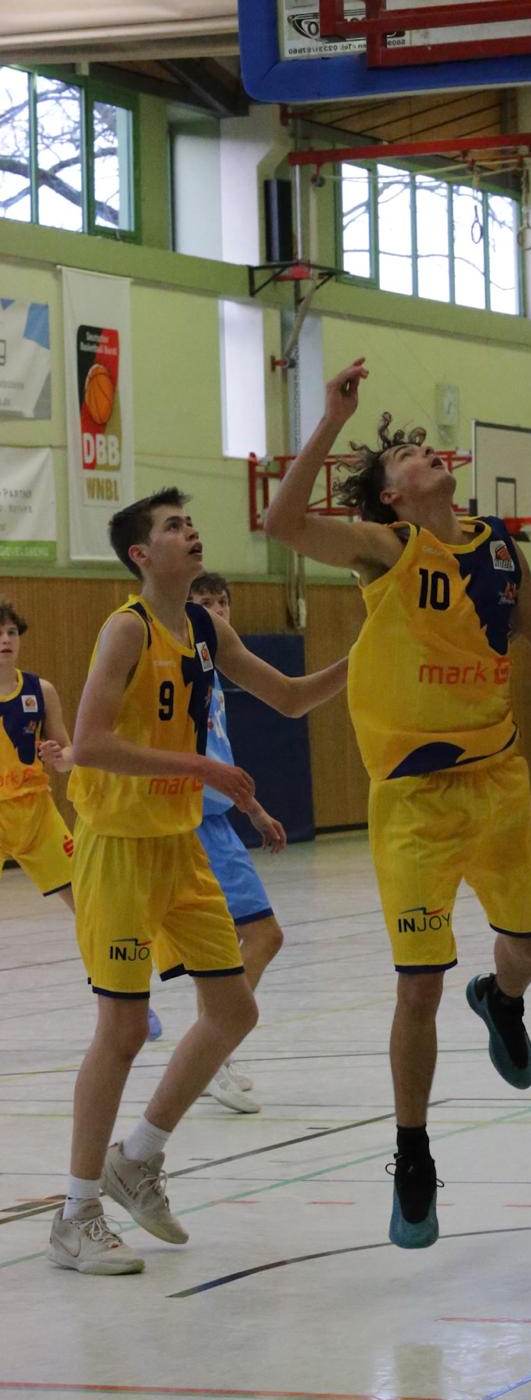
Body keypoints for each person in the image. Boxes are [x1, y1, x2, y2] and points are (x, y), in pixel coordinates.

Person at [262, 358, 531, 1249]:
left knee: (529, 945)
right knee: (416, 984)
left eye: (425, 446)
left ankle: (498, 998)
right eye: (409, 456)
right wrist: (331, 421)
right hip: (415, 798)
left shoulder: (499, 546)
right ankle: (412, 1154)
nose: (426, 452)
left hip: (497, 780)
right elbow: (283, 521)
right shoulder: (386, 551)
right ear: (391, 498)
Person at [48, 488, 344, 1276]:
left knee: (233, 1007)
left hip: (180, 845)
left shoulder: (207, 626)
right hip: (117, 845)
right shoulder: (125, 630)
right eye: (174, 526)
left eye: (191, 520)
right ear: (141, 554)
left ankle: (137, 1156)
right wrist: (203, 766)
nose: (191, 530)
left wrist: (364, 657)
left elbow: (286, 697)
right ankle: (76, 1215)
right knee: (120, 1027)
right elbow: (91, 744)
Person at [0, 599, 164, 1041]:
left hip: (37, 816)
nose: (5, 640)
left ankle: (121, 1002)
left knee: (90, 906)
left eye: (11, 632)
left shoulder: (41, 690)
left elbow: (71, 755)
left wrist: (58, 758)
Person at [188, 572, 302, 1115]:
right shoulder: (181, 669)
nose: (215, 610)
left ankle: (213, 1051)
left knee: (250, 940)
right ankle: (212, 1053)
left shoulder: (215, 675)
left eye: (221, 602)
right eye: (203, 603)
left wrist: (253, 809)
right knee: (251, 939)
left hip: (216, 824)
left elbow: (221, 759)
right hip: (186, 825)